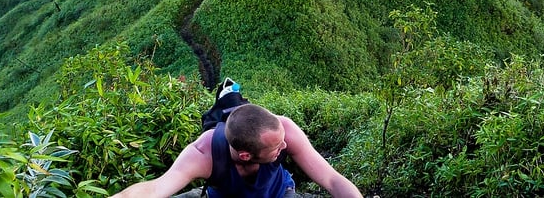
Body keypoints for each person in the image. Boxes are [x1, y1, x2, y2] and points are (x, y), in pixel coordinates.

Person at [111, 104, 363, 198]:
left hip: (278, 194)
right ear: (245, 155)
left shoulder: (284, 129)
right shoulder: (203, 153)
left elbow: (331, 179)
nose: (285, 146)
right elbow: (156, 189)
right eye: (277, 147)